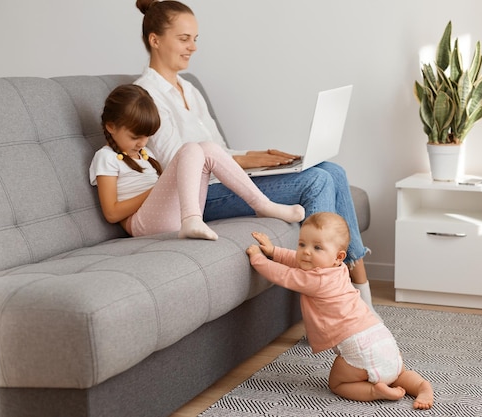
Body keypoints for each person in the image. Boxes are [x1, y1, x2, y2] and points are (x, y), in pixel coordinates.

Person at [133, 0, 377, 312]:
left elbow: (217, 148)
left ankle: (361, 292)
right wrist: (243, 162)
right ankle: (328, 307)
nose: (192, 47)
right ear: (155, 40)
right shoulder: (145, 95)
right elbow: (178, 162)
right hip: (199, 195)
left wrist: (258, 156)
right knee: (316, 181)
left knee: (332, 170)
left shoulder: (188, 88)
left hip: (226, 179)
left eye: (195, 39)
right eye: (184, 39)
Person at [246, 212, 434, 409]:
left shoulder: (315, 280)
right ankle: (421, 386)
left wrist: (259, 258)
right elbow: (300, 261)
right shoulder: (338, 269)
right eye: (302, 244)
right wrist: (274, 251)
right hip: (382, 338)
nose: (306, 252)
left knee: (338, 383)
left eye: (317, 247)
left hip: (358, 347)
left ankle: (373, 391)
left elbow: (283, 274)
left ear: (338, 256)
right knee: (400, 374)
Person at [89, 84, 305, 239]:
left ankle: (263, 205)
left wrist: (160, 187)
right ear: (111, 126)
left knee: (208, 148)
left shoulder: (146, 155)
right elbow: (112, 213)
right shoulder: (106, 157)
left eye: (147, 137)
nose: (142, 143)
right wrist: (154, 191)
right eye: (135, 137)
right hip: (142, 224)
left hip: (167, 214)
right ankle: (191, 219)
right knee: (190, 148)